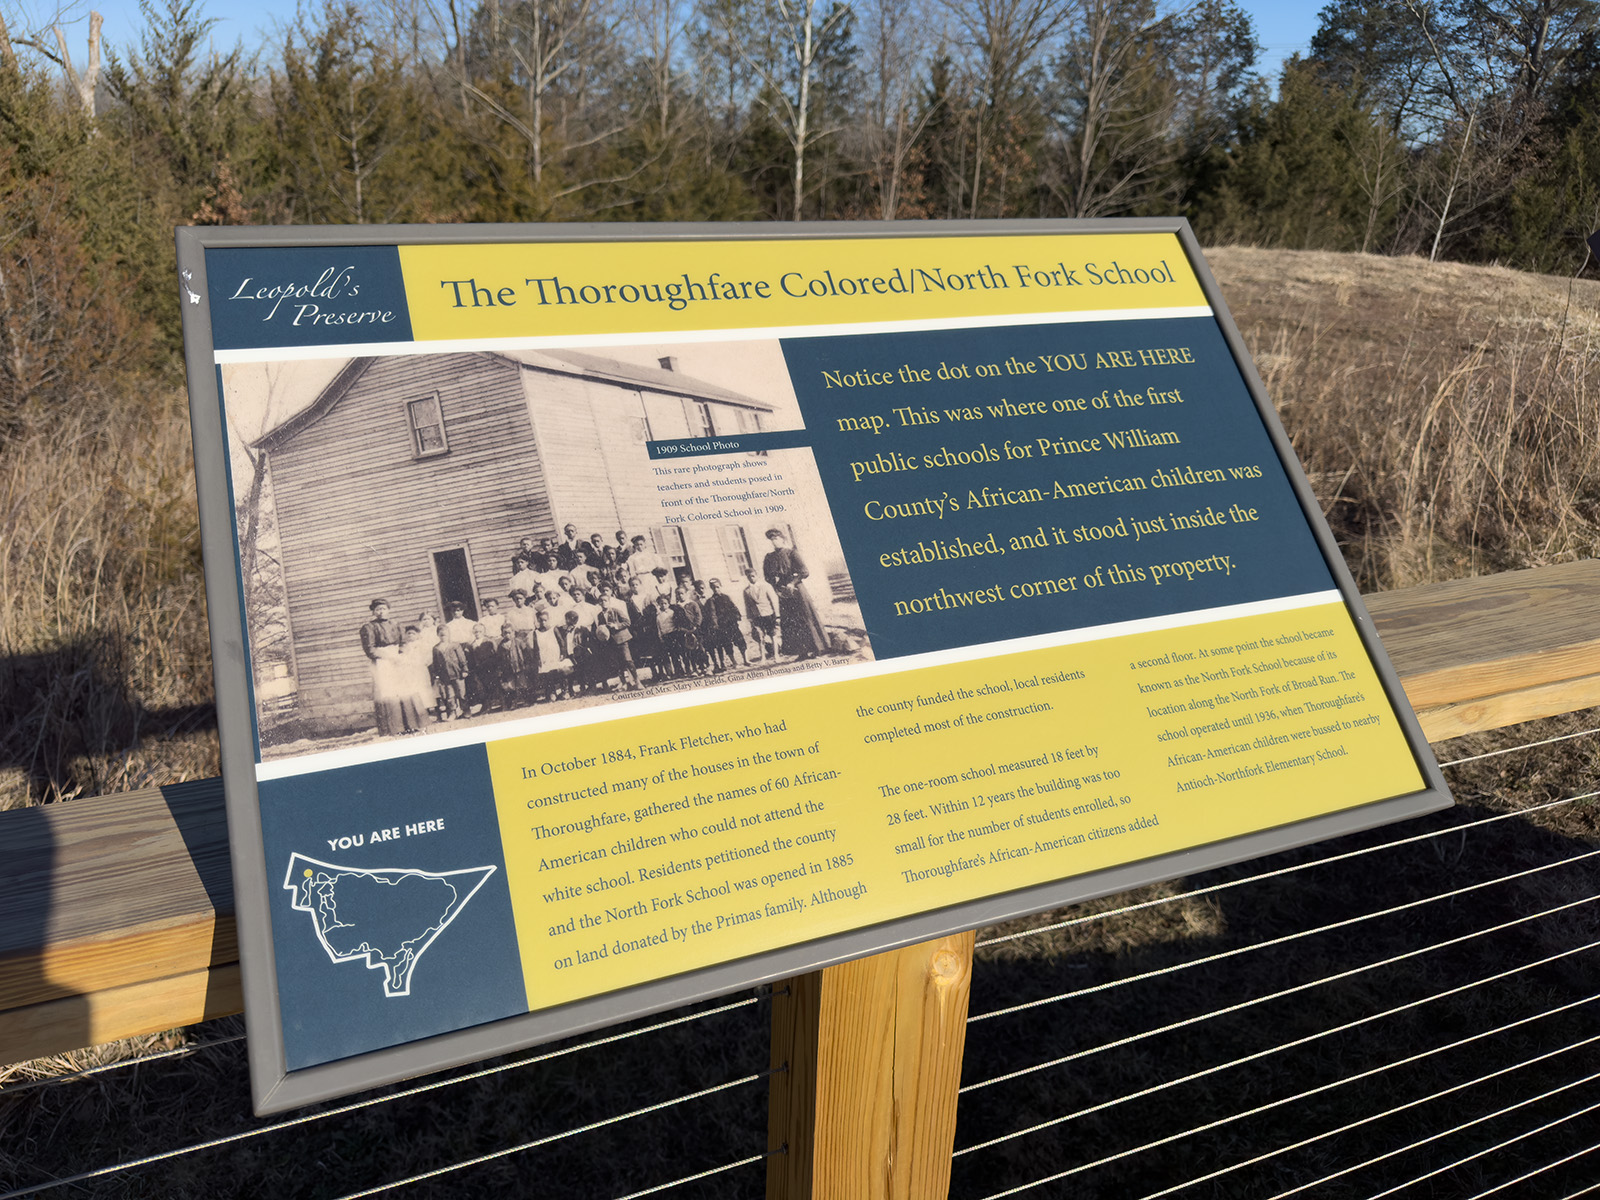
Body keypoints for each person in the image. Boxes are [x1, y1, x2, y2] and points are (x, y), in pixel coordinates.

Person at [764, 529, 826, 660]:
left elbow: (804, 572)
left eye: (776, 539)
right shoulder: (769, 557)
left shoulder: (792, 553)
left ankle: (816, 649)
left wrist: (792, 583)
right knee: (791, 621)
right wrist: (776, 585)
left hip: (797, 590)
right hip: (784, 593)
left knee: (806, 618)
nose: (774, 542)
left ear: (782, 539)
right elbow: (767, 577)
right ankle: (801, 652)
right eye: (772, 540)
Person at [360, 599, 406, 735]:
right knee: (387, 692)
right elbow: (370, 649)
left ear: (388, 609)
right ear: (374, 612)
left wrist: (401, 655)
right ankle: (392, 728)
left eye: (383, 609)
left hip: (397, 659)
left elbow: (403, 642)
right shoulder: (369, 627)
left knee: (404, 690)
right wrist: (387, 656)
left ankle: (408, 724)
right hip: (382, 662)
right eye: (378, 609)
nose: (381, 612)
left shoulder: (396, 624)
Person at [707, 579, 749, 669]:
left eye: (717, 587)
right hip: (722, 626)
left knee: (740, 641)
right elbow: (713, 613)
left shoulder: (726, 597)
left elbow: (733, 607)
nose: (716, 589)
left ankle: (745, 660)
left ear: (720, 586)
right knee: (727, 644)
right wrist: (716, 624)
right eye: (713, 587)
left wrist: (737, 616)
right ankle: (734, 662)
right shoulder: (712, 600)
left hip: (732, 623)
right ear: (711, 588)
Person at [742, 568, 780, 662]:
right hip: (757, 617)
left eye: (752, 576)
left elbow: (774, 600)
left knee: (773, 635)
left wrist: (777, 615)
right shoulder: (746, 591)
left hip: (768, 614)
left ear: (757, 575)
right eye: (749, 577)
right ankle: (763, 657)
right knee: (760, 637)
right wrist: (750, 618)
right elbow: (747, 606)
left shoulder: (766, 586)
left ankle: (776, 655)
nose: (751, 578)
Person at [431, 628, 470, 719]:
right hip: (445, 676)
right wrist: (437, 675)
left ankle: (466, 710)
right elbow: (435, 663)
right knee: (450, 695)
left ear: (449, 634)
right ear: (438, 635)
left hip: (457, 673)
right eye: (441, 635)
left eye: (445, 635)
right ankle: (453, 712)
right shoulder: (436, 648)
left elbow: (462, 658)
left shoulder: (455, 645)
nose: (443, 637)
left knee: (461, 693)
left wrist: (464, 669)